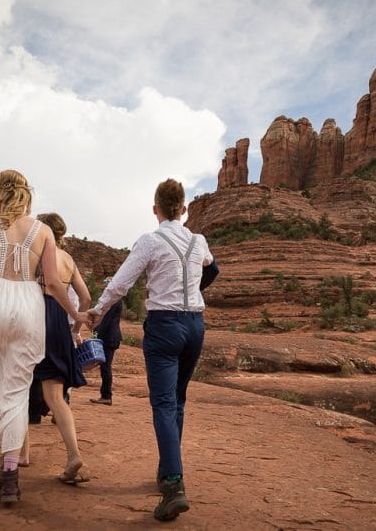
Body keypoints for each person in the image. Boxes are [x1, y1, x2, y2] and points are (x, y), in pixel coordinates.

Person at [88, 178, 219, 522]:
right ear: (185, 208)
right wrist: (193, 288)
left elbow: (120, 283)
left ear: (155, 209)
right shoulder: (199, 240)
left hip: (164, 325)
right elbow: (213, 268)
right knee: (177, 400)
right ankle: (166, 470)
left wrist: (97, 312)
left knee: (163, 402)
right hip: (195, 326)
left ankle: (174, 485)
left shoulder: (150, 240)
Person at [0, 170, 86, 504]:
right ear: (26, 194)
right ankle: (9, 476)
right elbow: (52, 282)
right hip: (29, 305)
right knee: (18, 391)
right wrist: (75, 315)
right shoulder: (43, 230)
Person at [32, 212, 92, 484]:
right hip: (59, 321)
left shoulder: (35, 252)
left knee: (19, 389)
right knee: (56, 396)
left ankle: (20, 455)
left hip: (34, 313)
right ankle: (73, 455)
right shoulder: (68, 259)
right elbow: (86, 297)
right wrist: (76, 328)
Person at [89, 278, 122, 406]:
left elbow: (106, 322)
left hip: (109, 338)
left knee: (105, 367)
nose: (104, 287)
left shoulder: (113, 302)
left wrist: (95, 332)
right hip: (111, 337)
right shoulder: (114, 301)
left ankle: (106, 396)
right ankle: (105, 395)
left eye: (106, 285)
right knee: (105, 366)